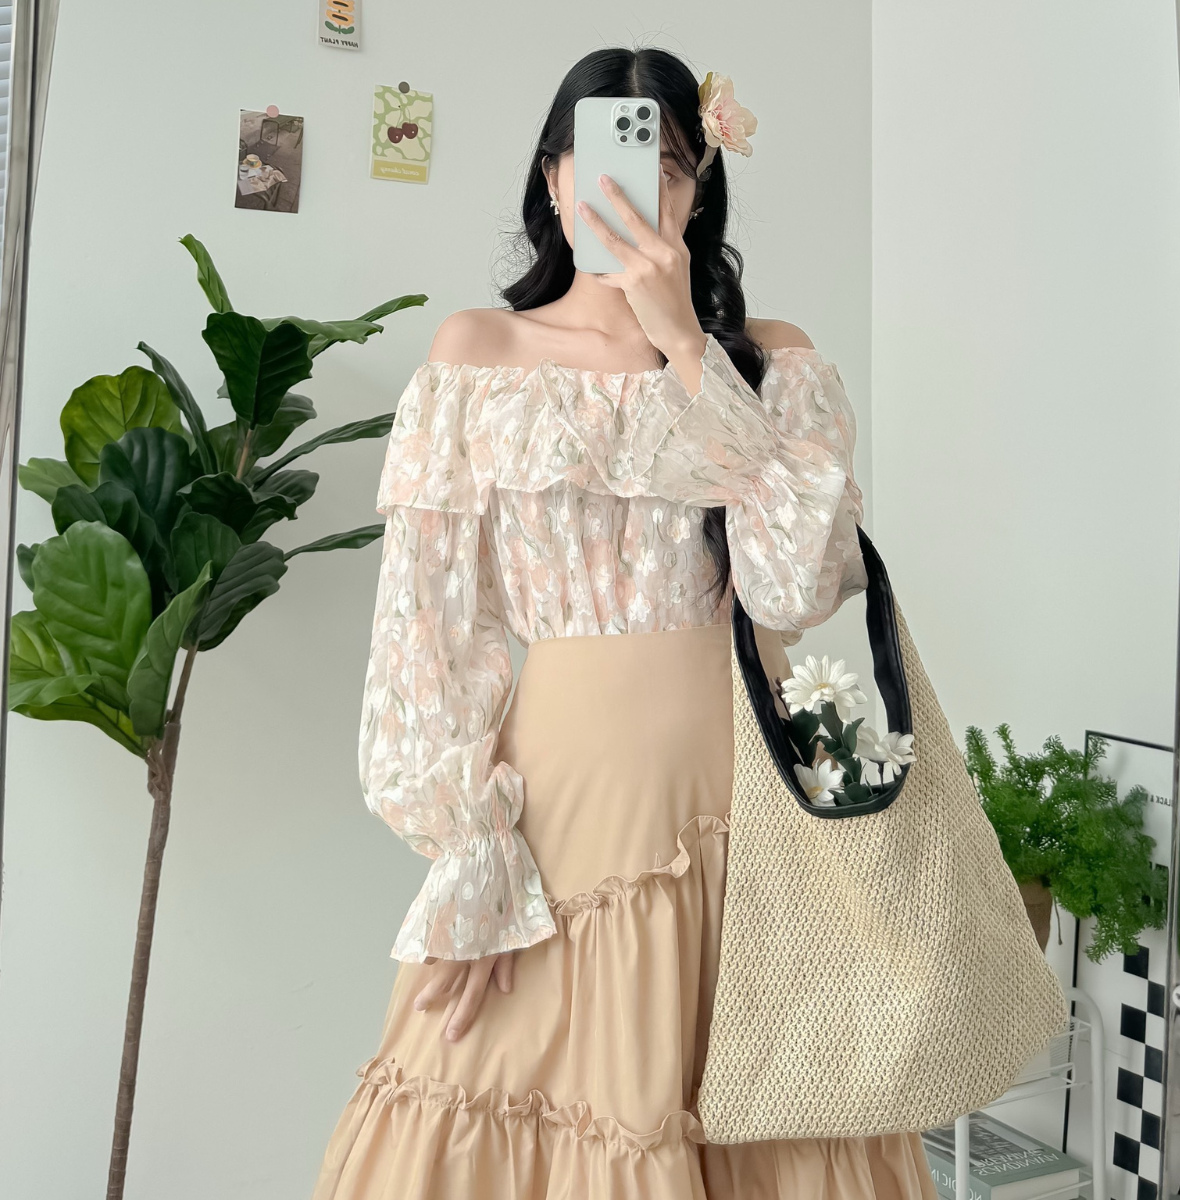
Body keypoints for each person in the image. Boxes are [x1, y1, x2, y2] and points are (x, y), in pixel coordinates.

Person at [311, 45, 939, 1200]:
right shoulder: (477, 359)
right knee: (512, 1098)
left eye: (674, 166)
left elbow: (791, 593)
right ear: (555, 178)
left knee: (768, 1115)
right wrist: (467, 850)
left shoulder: (776, 363)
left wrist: (689, 350)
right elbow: (425, 639)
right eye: (609, 156)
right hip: (558, 815)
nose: (641, 189)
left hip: (748, 801)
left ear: (700, 192)